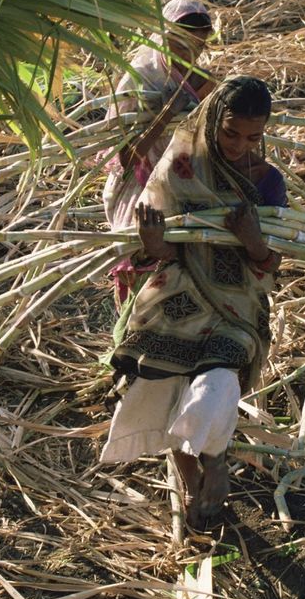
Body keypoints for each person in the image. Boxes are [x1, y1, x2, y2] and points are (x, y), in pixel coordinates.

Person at [101, 77, 286, 530]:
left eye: (253, 137)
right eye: (230, 133)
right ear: (211, 120)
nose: (240, 145)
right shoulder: (180, 168)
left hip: (236, 306)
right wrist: (153, 242)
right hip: (175, 294)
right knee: (164, 386)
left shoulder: (266, 183)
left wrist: (254, 242)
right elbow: (155, 255)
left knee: (216, 385)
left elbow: (270, 269)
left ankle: (216, 460)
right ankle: (189, 483)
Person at [103, 0, 216, 299]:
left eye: (198, 47)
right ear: (163, 38)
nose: (188, 56)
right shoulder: (139, 81)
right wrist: (167, 113)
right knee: (140, 252)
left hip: (184, 179)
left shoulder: (203, 82)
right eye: (181, 46)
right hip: (140, 183)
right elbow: (126, 157)